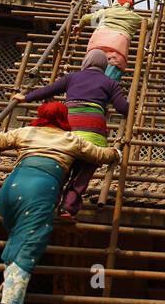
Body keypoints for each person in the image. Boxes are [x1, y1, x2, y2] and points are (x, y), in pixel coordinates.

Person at [0, 100, 119, 304]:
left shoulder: (27, 131)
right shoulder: (70, 139)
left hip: (10, 189)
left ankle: (10, 281)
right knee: (31, 242)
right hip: (39, 190)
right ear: (64, 118)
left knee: (17, 238)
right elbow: (98, 154)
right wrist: (115, 153)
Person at [14, 48, 128, 224]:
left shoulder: (73, 77)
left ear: (86, 62)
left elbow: (48, 90)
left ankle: (48, 205)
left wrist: (25, 97)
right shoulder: (110, 82)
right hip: (94, 134)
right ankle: (68, 209)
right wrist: (131, 108)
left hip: (70, 132)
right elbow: (122, 107)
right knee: (82, 175)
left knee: (62, 171)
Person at [77, 0, 144, 81]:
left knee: (89, 75)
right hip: (117, 46)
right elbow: (148, 23)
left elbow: (85, 18)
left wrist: (79, 26)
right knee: (108, 81)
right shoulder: (133, 16)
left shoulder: (106, 12)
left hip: (97, 44)